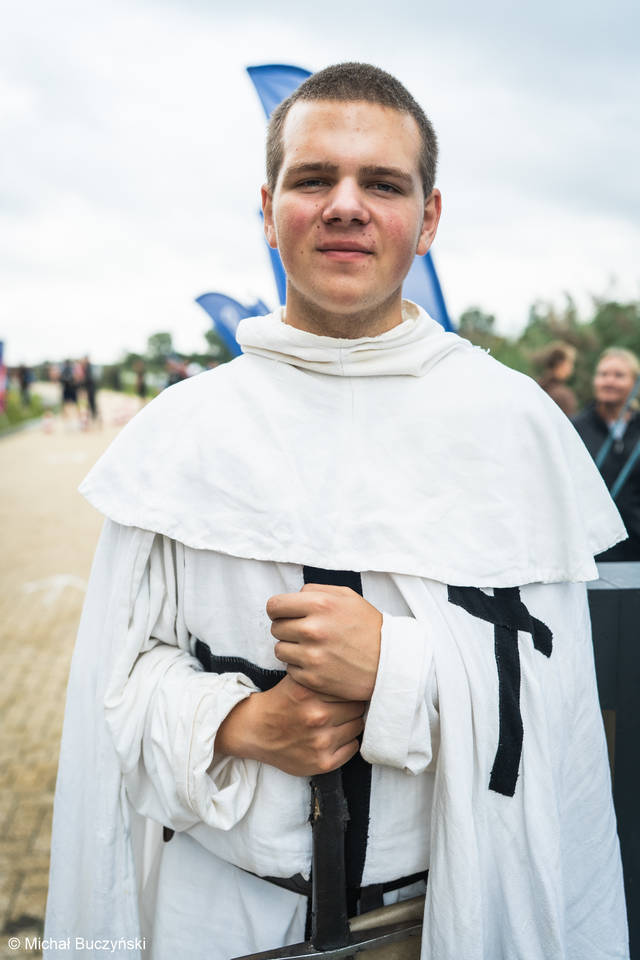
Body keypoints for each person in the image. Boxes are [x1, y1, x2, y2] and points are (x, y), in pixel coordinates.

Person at [45, 63, 629, 960]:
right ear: (268, 208)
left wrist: (397, 667)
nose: (346, 205)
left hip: (446, 919)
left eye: (383, 184)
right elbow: (114, 687)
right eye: (314, 178)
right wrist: (237, 724)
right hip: (218, 917)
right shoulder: (181, 433)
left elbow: (561, 719)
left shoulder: (515, 426)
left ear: (428, 218)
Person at [573, 347, 640, 561]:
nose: (609, 381)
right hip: (593, 548)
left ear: (635, 382)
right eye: (603, 374)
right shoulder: (574, 429)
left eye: (619, 375)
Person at [533, 341, 577, 416]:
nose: (571, 368)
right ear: (561, 363)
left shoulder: (534, 384)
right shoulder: (564, 397)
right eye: (570, 363)